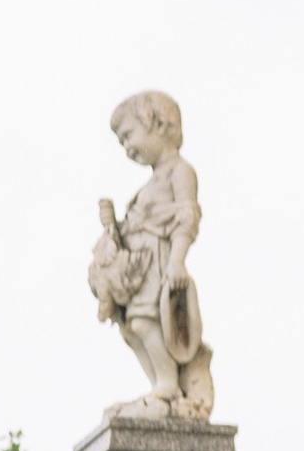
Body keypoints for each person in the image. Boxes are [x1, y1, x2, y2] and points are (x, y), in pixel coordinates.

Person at [87, 88, 216, 415]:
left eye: (129, 136)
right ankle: (159, 385)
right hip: (138, 270)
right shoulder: (150, 184)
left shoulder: (180, 171)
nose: (128, 147)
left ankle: (168, 387)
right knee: (132, 328)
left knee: (146, 323)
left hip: (159, 264)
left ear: (157, 123)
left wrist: (177, 261)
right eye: (121, 143)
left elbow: (187, 217)